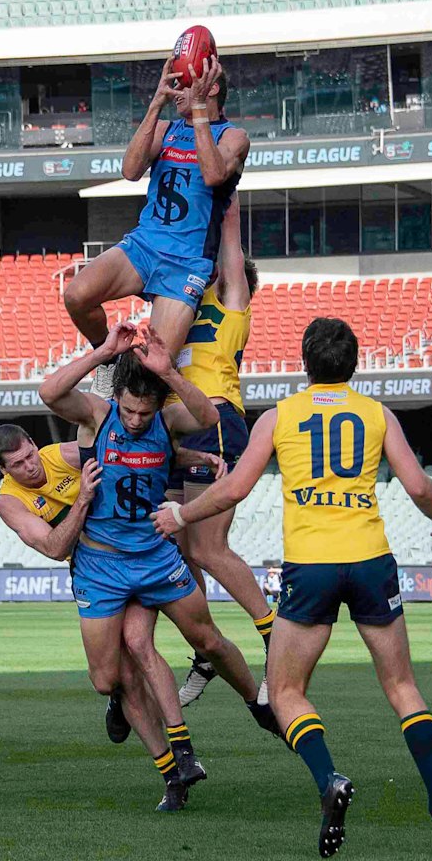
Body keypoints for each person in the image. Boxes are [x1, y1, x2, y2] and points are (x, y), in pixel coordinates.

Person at [153, 317, 432, 857]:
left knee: (288, 692)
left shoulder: (279, 418)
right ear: (354, 363)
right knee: (401, 687)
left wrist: (183, 514)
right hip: (371, 560)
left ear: (304, 362)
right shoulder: (377, 414)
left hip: (311, 567)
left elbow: (233, 489)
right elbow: (417, 484)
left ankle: (330, 781)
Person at [38, 322, 281, 800]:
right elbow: (50, 391)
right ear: (119, 400)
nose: (134, 420)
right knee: (108, 676)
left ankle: (258, 704)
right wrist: (105, 350)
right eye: (129, 409)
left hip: (153, 556)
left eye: (143, 412)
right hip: (102, 565)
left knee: (206, 638)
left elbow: (209, 415)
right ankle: (125, 706)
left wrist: (168, 372)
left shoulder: (165, 422)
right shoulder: (97, 414)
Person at [0, 423, 226, 813]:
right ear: (4, 470)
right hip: (90, 572)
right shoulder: (9, 502)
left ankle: (179, 765)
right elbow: (53, 547)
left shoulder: (65, 455)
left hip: (132, 556)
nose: (30, 466)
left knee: (139, 645)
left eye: (30, 454)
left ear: (35, 444)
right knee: (108, 680)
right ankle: (124, 707)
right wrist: (82, 499)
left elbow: (140, 452)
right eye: (17, 464)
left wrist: (200, 457)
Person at [63, 55, 250, 396]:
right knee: (77, 295)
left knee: (150, 373)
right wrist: (156, 102)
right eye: (174, 85)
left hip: (187, 263)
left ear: (212, 89)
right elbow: (130, 170)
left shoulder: (234, 137)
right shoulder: (165, 129)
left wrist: (197, 115)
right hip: (145, 246)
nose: (177, 92)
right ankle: (105, 360)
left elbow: (212, 174)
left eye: (184, 85)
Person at [165, 192, 275, 707]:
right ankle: (206, 653)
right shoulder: (182, 306)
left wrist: (221, 194)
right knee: (186, 549)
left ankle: (275, 637)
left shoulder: (232, 308)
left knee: (207, 547)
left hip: (215, 417)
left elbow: (229, 243)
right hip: (176, 431)